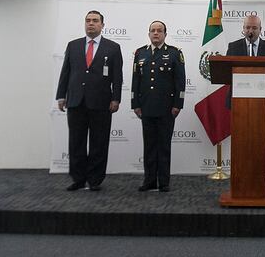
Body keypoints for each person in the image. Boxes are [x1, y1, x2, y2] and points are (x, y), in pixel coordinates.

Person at [55, 10, 123, 192]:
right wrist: (61, 95)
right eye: (88, 20)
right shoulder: (73, 45)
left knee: (99, 142)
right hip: (76, 101)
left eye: (95, 20)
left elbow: (117, 76)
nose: (91, 23)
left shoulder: (113, 47)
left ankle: (95, 180)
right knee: (76, 142)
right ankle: (78, 179)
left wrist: (116, 98)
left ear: (102, 25)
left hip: (101, 102)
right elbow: (65, 72)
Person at [131, 20, 185, 192]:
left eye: (159, 30)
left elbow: (180, 81)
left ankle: (163, 181)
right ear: (148, 34)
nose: (156, 33)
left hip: (166, 108)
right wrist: (135, 103)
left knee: (163, 145)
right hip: (146, 107)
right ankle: (149, 181)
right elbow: (135, 81)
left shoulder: (174, 53)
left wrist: (178, 104)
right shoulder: (140, 53)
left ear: (165, 34)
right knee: (149, 146)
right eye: (153, 30)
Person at [225, 13, 265, 115]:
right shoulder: (233, 47)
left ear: (260, 29)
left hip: (263, 100)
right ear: (243, 28)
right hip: (238, 99)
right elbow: (227, 72)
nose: (250, 31)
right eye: (248, 27)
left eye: (254, 28)